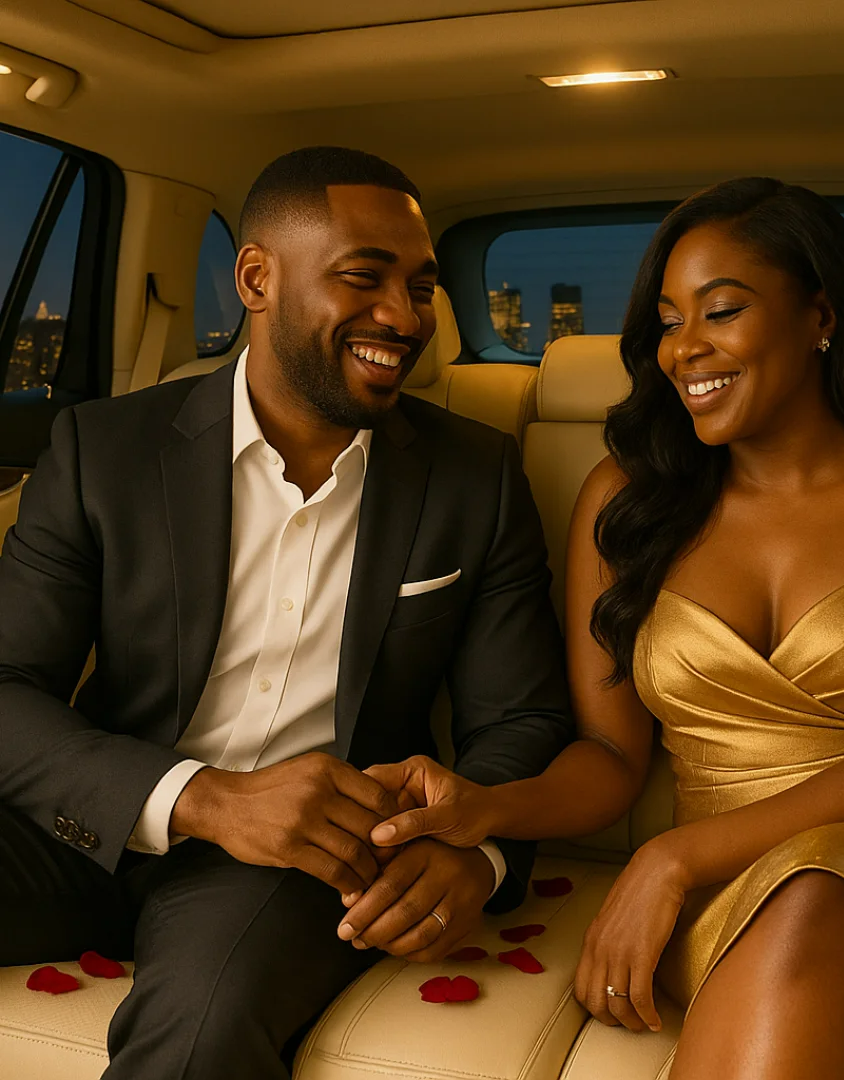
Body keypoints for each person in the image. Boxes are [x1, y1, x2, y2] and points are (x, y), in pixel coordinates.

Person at [360, 178, 844, 1080]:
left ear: (821, 315)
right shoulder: (624, 504)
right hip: (726, 893)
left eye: (722, 310)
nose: (684, 348)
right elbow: (610, 758)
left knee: (818, 903)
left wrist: (672, 857)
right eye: (668, 322)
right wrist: (486, 807)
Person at [0, 146, 574, 1078]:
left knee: (203, 1031)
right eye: (364, 277)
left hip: (303, 864)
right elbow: (6, 684)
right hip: (95, 811)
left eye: (420, 287)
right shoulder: (103, 450)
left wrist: (478, 854)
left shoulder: (475, 478)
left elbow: (520, 719)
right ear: (256, 280)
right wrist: (200, 798)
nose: (405, 317)